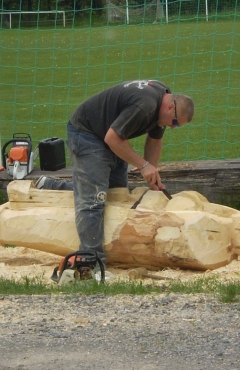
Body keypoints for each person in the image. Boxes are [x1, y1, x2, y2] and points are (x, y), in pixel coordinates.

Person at [36, 79, 194, 265]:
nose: (173, 127)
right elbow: (113, 138)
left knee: (115, 194)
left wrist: (152, 172)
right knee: (94, 200)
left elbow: (155, 139)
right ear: (170, 107)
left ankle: (52, 187)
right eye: (175, 122)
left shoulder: (162, 103)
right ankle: (90, 261)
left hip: (109, 135)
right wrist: (143, 166)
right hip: (88, 133)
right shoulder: (146, 105)